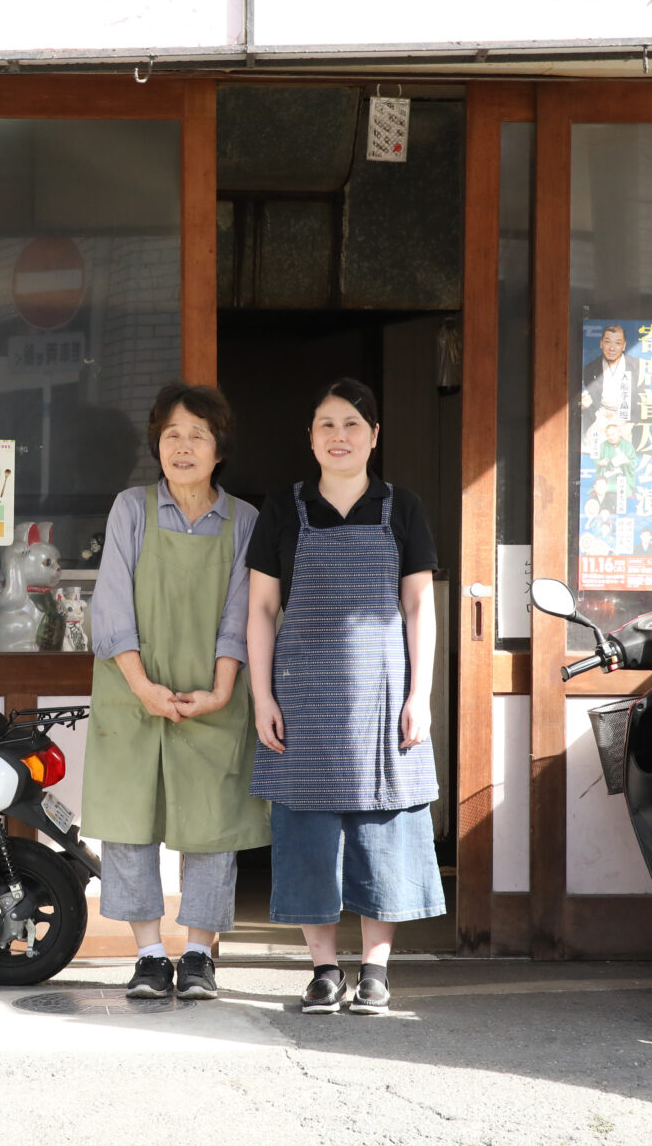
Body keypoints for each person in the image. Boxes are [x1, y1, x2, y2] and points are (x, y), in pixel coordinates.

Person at [246, 377, 443, 1016]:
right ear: (310, 436)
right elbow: (261, 610)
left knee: (383, 827)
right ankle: (325, 969)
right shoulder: (283, 508)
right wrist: (261, 696)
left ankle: (376, 970)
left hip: (384, 696)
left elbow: (420, 607)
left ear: (374, 436)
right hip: (300, 695)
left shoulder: (402, 506)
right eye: (326, 424)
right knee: (306, 829)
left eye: (352, 425)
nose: (339, 436)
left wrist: (421, 694)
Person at [82, 383, 269, 1002]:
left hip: (213, 697)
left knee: (211, 825)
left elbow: (243, 612)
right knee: (131, 823)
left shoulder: (245, 520)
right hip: (132, 694)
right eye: (171, 435)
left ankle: (198, 956)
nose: (183, 447)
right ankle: (148, 956)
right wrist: (142, 687)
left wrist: (220, 691)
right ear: (156, 446)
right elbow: (109, 605)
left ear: (220, 450)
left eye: (198, 435)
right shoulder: (131, 509)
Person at [578, 323, 634, 447]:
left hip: (626, 420)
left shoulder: (636, 366)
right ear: (601, 344)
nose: (612, 348)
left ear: (624, 346)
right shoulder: (589, 369)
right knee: (593, 447)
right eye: (608, 342)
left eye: (617, 343)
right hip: (600, 416)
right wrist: (582, 403)